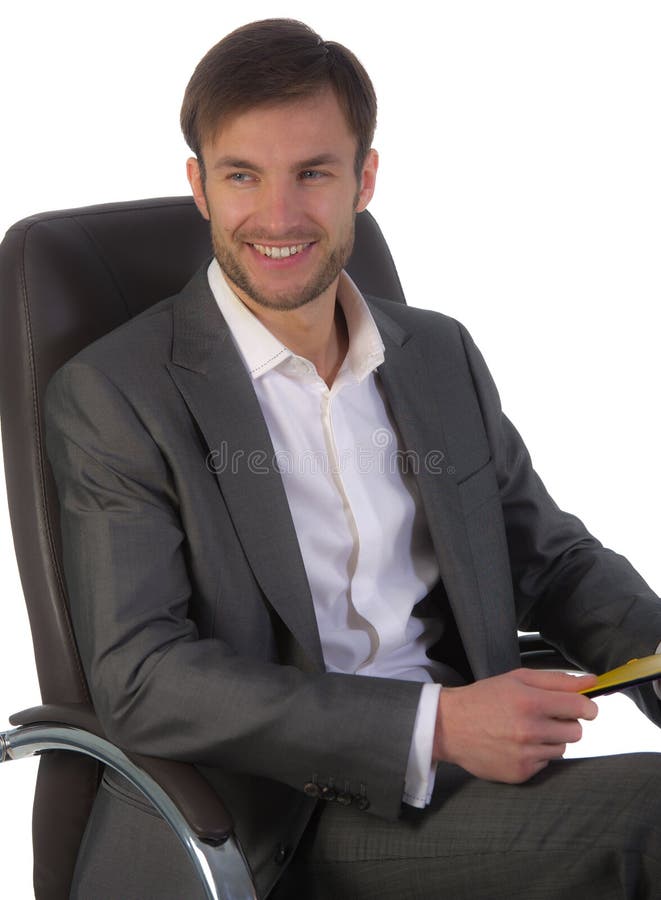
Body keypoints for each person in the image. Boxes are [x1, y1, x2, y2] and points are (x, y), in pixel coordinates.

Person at [44, 18, 661, 900]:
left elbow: (547, 557)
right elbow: (144, 677)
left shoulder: (435, 354)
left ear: (364, 178)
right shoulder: (118, 394)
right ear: (199, 187)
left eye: (314, 173)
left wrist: (656, 648)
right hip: (282, 814)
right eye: (242, 175)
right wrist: (435, 726)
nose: (279, 215)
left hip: (467, 786)